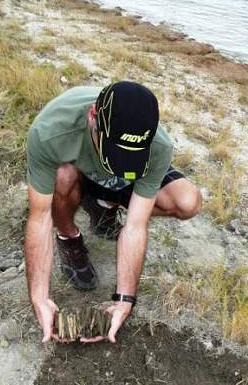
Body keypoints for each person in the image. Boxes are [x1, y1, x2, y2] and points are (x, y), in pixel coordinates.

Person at [24, 81, 202, 344]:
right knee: (62, 177)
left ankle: (104, 206)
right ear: (93, 116)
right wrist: (39, 297)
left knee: (188, 201)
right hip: (79, 176)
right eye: (115, 151)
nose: (118, 165)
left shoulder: (158, 146)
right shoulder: (50, 132)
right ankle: (69, 237)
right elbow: (40, 218)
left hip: (124, 184)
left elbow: (135, 225)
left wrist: (124, 301)